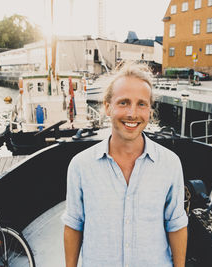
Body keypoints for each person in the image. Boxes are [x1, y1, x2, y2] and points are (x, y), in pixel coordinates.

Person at [62, 63, 188, 267]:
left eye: (141, 104)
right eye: (123, 102)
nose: (132, 113)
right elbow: (74, 224)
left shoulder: (170, 164)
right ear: (107, 106)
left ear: (150, 109)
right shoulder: (81, 166)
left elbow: (176, 223)